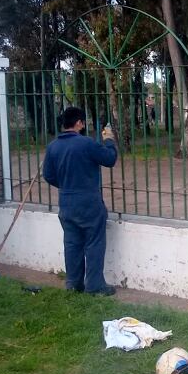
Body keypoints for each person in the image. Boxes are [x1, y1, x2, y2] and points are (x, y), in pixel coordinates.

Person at [42, 107, 118, 296]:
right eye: (83, 122)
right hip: (88, 202)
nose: (83, 125)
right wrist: (109, 139)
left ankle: (74, 284)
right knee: (94, 242)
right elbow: (110, 159)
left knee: (72, 244)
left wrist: (67, 184)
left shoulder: (53, 146)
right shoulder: (86, 143)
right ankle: (94, 286)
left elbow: (48, 175)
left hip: (66, 202)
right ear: (78, 123)